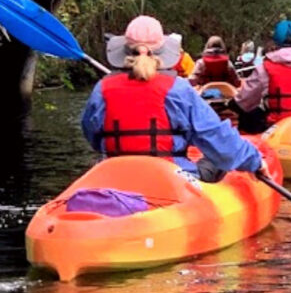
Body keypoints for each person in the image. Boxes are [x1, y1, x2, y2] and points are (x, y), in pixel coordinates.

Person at [81, 16, 263, 182]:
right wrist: (255, 162)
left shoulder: (102, 88)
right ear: (163, 52)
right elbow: (218, 139)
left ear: (124, 52)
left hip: (115, 175)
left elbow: (93, 136)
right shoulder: (178, 88)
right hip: (169, 179)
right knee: (217, 159)